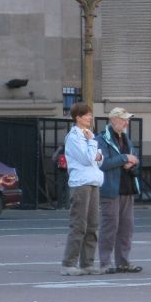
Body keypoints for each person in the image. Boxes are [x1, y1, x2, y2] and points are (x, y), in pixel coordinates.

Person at [97, 107, 142, 274]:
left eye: (127, 119)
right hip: (110, 190)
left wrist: (132, 162)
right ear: (113, 120)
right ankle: (105, 263)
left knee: (126, 228)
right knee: (110, 226)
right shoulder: (102, 139)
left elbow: (135, 157)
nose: (126, 122)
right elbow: (103, 163)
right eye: (123, 119)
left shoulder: (126, 139)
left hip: (127, 188)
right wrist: (125, 158)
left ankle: (123, 261)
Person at [61, 102, 104, 277]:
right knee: (79, 224)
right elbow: (87, 159)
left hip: (93, 182)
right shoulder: (74, 137)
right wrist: (92, 143)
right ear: (78, 117)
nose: (90, 118)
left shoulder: (88, 136)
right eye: (87, 115)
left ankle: (87, 263)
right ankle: (68, 263)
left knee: (93, 225)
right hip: (80, 184)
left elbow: (99, 159)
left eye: (90, 114)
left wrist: (94, 149)